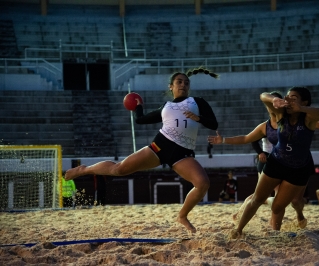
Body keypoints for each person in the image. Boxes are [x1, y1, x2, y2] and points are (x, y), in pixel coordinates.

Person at [65, 67, 219, 233]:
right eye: (179, 82)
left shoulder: (198, 102)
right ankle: (84, 170)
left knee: (203, 184)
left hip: (182, 155)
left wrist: (199, 118)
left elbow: (214, 124)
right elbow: (140, 120)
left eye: (186, 82)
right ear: (171, 86)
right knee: (119, 169)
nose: (183, 85)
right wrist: (138, 106)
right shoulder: (165, 107)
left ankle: (182, 216)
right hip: (159, 147)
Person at [208, 86, 319, 236]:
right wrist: (274, 99)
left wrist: (304, 109)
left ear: (304, 102)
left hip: (298, 168)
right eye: (287, 97)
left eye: (294, 98)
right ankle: (238, 230)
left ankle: (284, 224)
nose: (289, 100)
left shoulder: (308, 118)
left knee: (284, 204)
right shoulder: (279, 115)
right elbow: (263, 96)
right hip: (276, 162)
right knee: (257, 199)